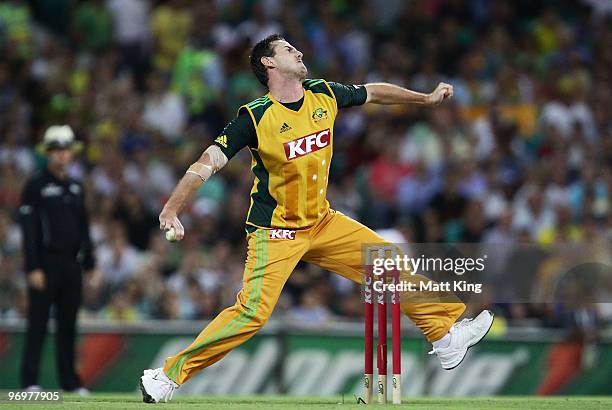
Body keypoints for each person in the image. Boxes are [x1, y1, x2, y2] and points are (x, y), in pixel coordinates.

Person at [139, 34, 494, 403]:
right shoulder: (255, 117)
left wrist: (424, 99)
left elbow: (372, 92)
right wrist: (171, 209)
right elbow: (205, 163)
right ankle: (166, 375)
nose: (300, 52)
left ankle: (444, 335)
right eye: (289, 50)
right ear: (269, 64)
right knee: (252, 313)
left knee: (386, 263)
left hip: (321, 222)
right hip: (275, 231)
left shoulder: (323, 93)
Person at [19, 125, 99, 393]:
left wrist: (90, 264)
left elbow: (84, 228)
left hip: (71, 265)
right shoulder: (35, 186)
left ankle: (70, 383)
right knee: (38, 324)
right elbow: (28, 229)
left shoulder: (76, 187)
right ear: (48, 153)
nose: (62, 155)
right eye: (56, 150)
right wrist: (33, 266)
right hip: (45, 263)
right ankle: (30, 381)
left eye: (66, 150)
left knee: (68, 326)